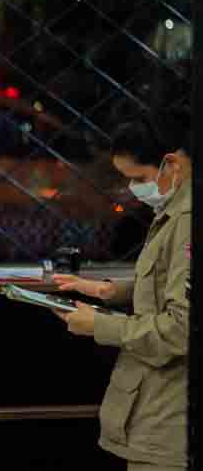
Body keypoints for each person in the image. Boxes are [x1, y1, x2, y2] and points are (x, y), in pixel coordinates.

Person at [51, 111, 191, 471]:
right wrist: (109, 291)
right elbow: (167, 282)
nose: (133, 190)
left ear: (171, 163)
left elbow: (181, 329)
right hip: (159, 413)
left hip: (170, 419)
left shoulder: (187, 221)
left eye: (139, 178)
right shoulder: (174, 213)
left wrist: (99, 325)